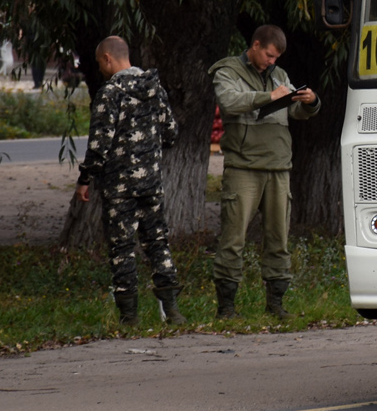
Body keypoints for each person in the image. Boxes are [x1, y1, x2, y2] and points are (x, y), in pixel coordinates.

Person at [209, 25, 319, 319]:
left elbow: (293, 110)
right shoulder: (228, 70)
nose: (272, 62)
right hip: (244, 166)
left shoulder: (279, 75)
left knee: (278, 240)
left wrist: (309, 103)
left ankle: (276, 305)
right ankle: (227, 308)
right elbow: (230, 102)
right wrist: (268, 97)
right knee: (233, 240)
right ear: (255, 45)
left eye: (276, 58)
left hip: (278, 167)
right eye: (269, 55)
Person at [75, 36, 186, 326]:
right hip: (151, 182)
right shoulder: (154, 88)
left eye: (100, 62)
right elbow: (171, 133)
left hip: (119, 187)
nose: (100, 68)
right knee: (157, 243)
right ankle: (172, 310)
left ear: (108, 59)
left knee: (122, 249)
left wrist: (85, 178)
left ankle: (129, 317)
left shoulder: (109, 93)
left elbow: (99, 145)